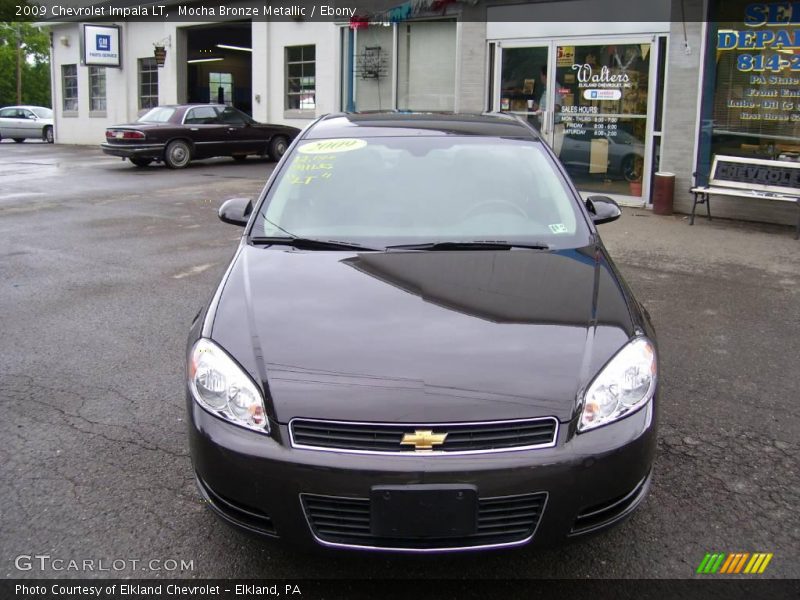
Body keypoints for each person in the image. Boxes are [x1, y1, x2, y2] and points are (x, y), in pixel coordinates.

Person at [533, 66, 565, 155]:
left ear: (544, 76)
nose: (540, 78)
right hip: (547, 126)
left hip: (554, 128)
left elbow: (557, 107)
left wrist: (542, 110)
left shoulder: (555, 87)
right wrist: (538, 107)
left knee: (551, 156)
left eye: (541, 76)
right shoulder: (546, 89)